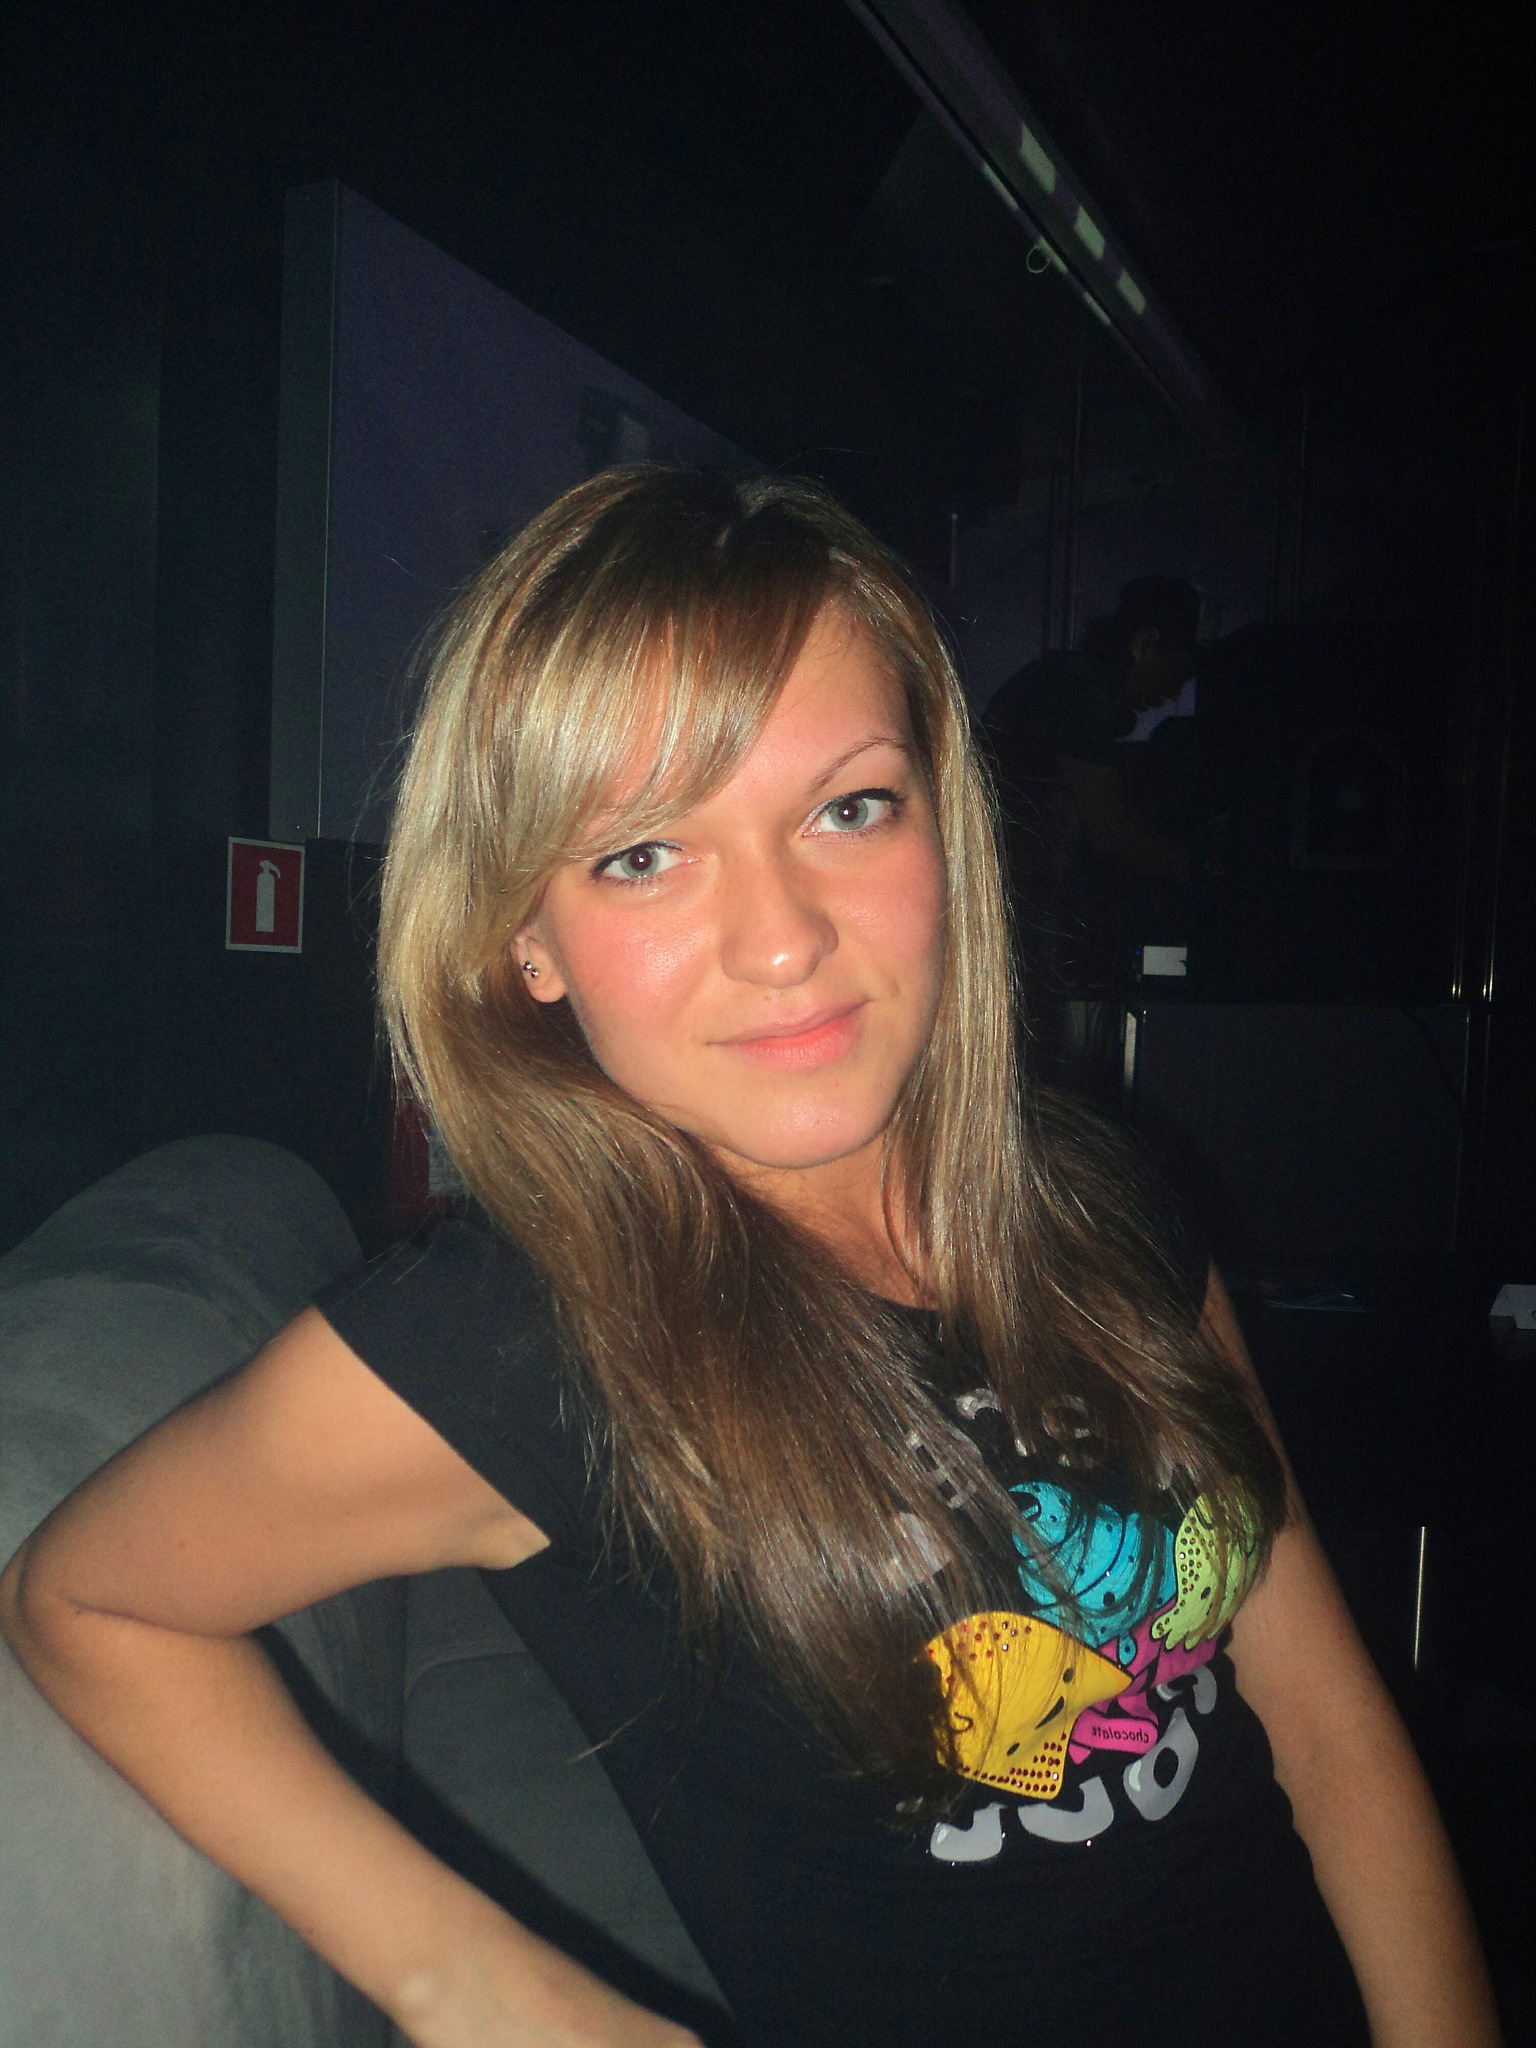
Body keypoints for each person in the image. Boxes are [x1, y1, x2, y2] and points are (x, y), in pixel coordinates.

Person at [0, 470, 1500, 2048]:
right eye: (645, 852)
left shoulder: (1092, 1188)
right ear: (525, 940)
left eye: (849, 808)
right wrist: (479, 1984)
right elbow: (87, 1601)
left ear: (945, 828)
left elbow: (1325, 1724)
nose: (782, 937)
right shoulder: (519, 1340)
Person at [979, 578, 1203, 1001]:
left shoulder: (1069, 682)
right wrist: (1201, 873)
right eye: (1177, 672)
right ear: (1146, 645)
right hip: (1017, 912)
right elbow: (1112, 831)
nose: (1175, 692)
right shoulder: (1073, 692)